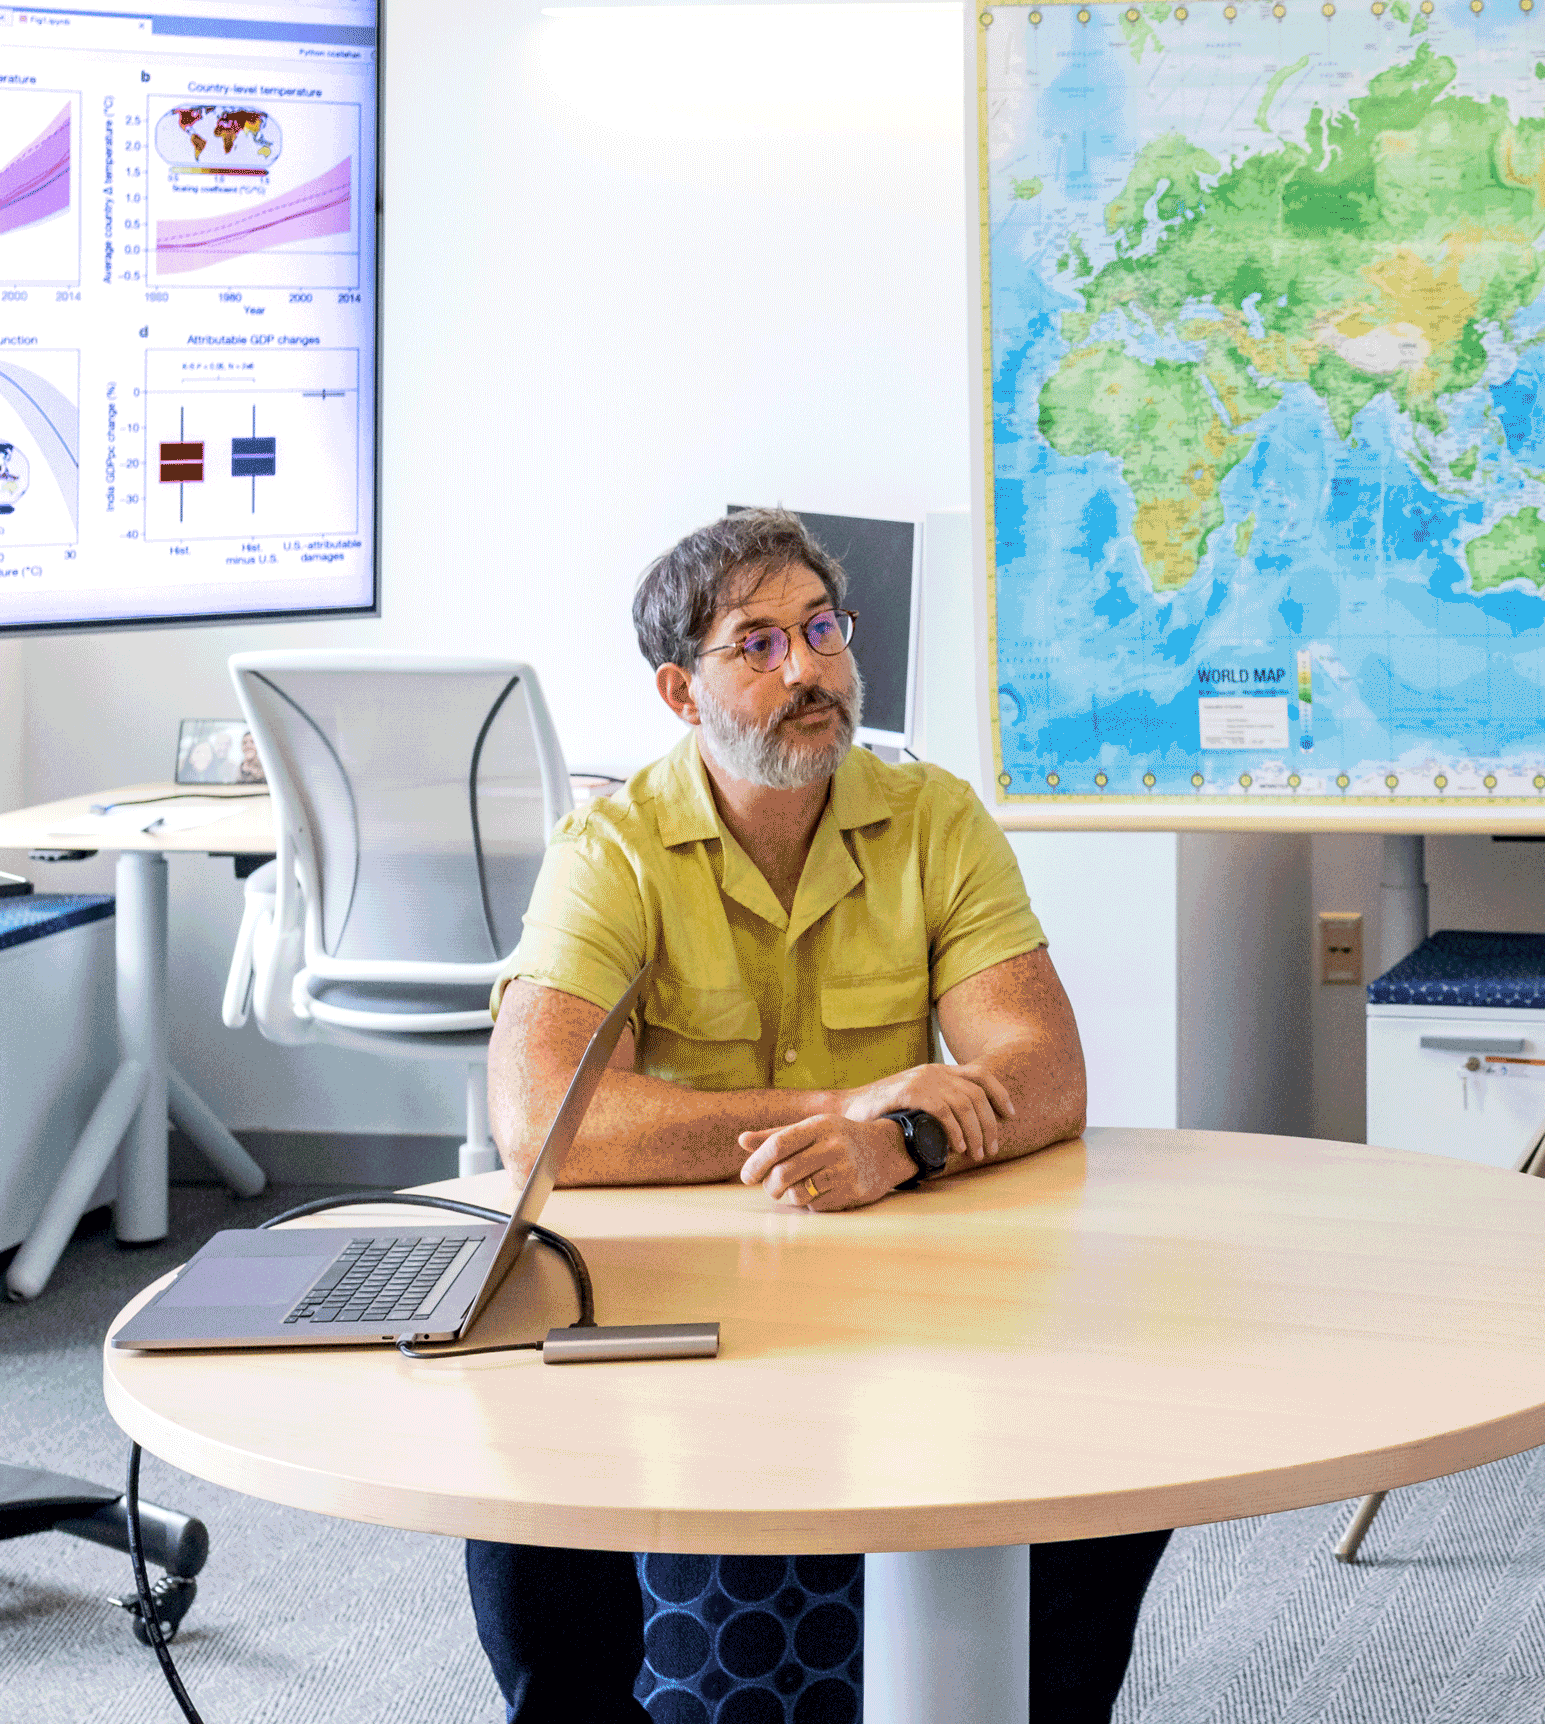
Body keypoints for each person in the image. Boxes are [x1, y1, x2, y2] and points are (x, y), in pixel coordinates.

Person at [467, 507, 1163, 1724]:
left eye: (822, 628)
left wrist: (903, 1140)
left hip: (897, 1263)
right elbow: (544, 1121)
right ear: (682, 690)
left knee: (1114, 1462)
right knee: (531, 1493)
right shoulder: (611, 849)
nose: (809, 668)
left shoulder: (932, 814)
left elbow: (1046, 1069)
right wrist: (844, 1099)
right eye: (758, 642)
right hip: (673, 1280)